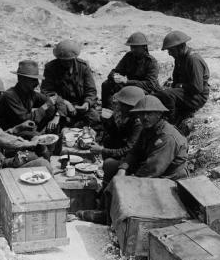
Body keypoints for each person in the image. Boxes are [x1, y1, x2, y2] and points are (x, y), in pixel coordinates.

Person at [76, 96, 189, 224]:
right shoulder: (148, 129)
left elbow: (152, 170)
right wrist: (122, 169)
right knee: (111, 166)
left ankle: (109, 218)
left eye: (149, 113)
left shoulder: (167, 137)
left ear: (159, 114)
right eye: (141, 114)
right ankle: (105, 208)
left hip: (168, 180)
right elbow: (134, 152)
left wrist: (129, 179)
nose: (145, 117)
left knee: (124, 185)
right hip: (152, 171)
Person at [89, 86, 144, 191]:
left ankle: (107, 190)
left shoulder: (138, 123)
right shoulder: (127, 117)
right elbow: (116, 136)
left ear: (130, 107)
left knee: (109, 163)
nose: (118, 106)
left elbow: (128, 150)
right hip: (126, 155)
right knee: (108, 142)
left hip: (133, 161)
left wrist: (102, 150)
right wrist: (107, 121)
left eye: (121, 104)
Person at [154, 30, 209, 126]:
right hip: (188, 93)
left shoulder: (193, 59)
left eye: (171, 50)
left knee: (168, 95)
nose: (169, 53)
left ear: (180, 47)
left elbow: (197, 88)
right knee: (160, 95)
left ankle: (171, 123)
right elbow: (176, 81)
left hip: (197, 97)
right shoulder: (179, 59)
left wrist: (181, 86)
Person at [41, 40, 100, 128]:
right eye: (63, 61)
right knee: (52, 122)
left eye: (69, 60)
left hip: (80, 105)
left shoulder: (83, 67)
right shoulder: (50, 68)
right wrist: (65, 103)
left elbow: (91, 90)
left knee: (95, 118)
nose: (66, 63)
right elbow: (47, 92)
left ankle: (73, 125)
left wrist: (87, 103)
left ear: (74, 58)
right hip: (60, 106)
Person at [0, 60, 59, 138]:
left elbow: (54, 99)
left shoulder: (30, 93)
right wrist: (46, 106)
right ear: (22, 79)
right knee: (37, 139)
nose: (37, 83)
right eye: (33, 80)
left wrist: (56, 116)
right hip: (8, 131)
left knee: (57, 123)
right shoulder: (10, 96)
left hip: (24, 127)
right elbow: (24, 119)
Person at [101, 32, 159, 109]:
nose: (133, 49)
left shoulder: (151, 62)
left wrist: (126, 81)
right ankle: (107, 111)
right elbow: (116, 71)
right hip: (129, 86)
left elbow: (150, 85)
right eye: (132, 47)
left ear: (144, 47)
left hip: (145, 91)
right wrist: (114, 76)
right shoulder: (129, 57)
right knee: (106, 84)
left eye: (136, 47)